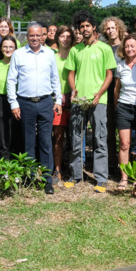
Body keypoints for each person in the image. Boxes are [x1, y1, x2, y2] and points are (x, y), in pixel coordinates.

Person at [7, 22, 62, 195]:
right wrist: (14, 103)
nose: (35, 38)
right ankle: (30, 177)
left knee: (46, 141)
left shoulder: (50, 54)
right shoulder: (18, 54)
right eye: (32, 35)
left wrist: (58, 100)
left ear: (43, 36)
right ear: (27, 36)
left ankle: (47, 179)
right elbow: (11, 80)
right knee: (28, 141)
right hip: (25, 103)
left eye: (39, 35)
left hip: (46, 102)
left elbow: (55, 78)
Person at [65, 12, 116, 193]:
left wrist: (100, 93)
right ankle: (76, 175)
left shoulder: (104, 48)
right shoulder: (75, 50)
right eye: (81, 26)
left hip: (98, 101)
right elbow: (71, 73)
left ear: (93, 27)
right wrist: (74, 90)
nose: (84, 29)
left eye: (87, 26)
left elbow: (109, 74)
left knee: (99, 138)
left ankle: (101, 179)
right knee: (76, 138)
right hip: (79, 101)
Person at [113, 34, 136, 193]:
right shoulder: (120, 65)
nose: (129, 49)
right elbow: (116, 89)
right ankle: (124, 177)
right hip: (124, 107)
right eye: (127, 46)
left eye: (133, 46)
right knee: (124, 143)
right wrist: (117, 107)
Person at [100, 16, 127, 175]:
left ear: (119, 29)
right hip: (107, 93)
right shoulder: (103, 48)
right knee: (108, 132)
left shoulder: (125, 46)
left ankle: (126, 165)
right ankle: (111, 164)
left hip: (125, 93)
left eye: (113, 28)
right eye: (108, 28)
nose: (111, 31)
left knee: (125, 134)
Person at [0, 35, 20, 160]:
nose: (8, 49)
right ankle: (4, 168)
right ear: (1, 49)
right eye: (5, 47)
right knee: (2, 135)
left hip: (18, 101)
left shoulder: (21, 64)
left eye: (11, 47)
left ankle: (18, 167)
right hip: (1, 101)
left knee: (16, 134)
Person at [52, 25, 74, 183]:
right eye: (62, 36)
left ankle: (74, 170)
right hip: (57, 101)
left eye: (68, 36)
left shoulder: (76, 54)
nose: (65, 39)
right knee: (58, 137)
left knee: (74, 138)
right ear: (57, 38)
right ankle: (57, 169)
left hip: (74, 100)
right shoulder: (51, 56)